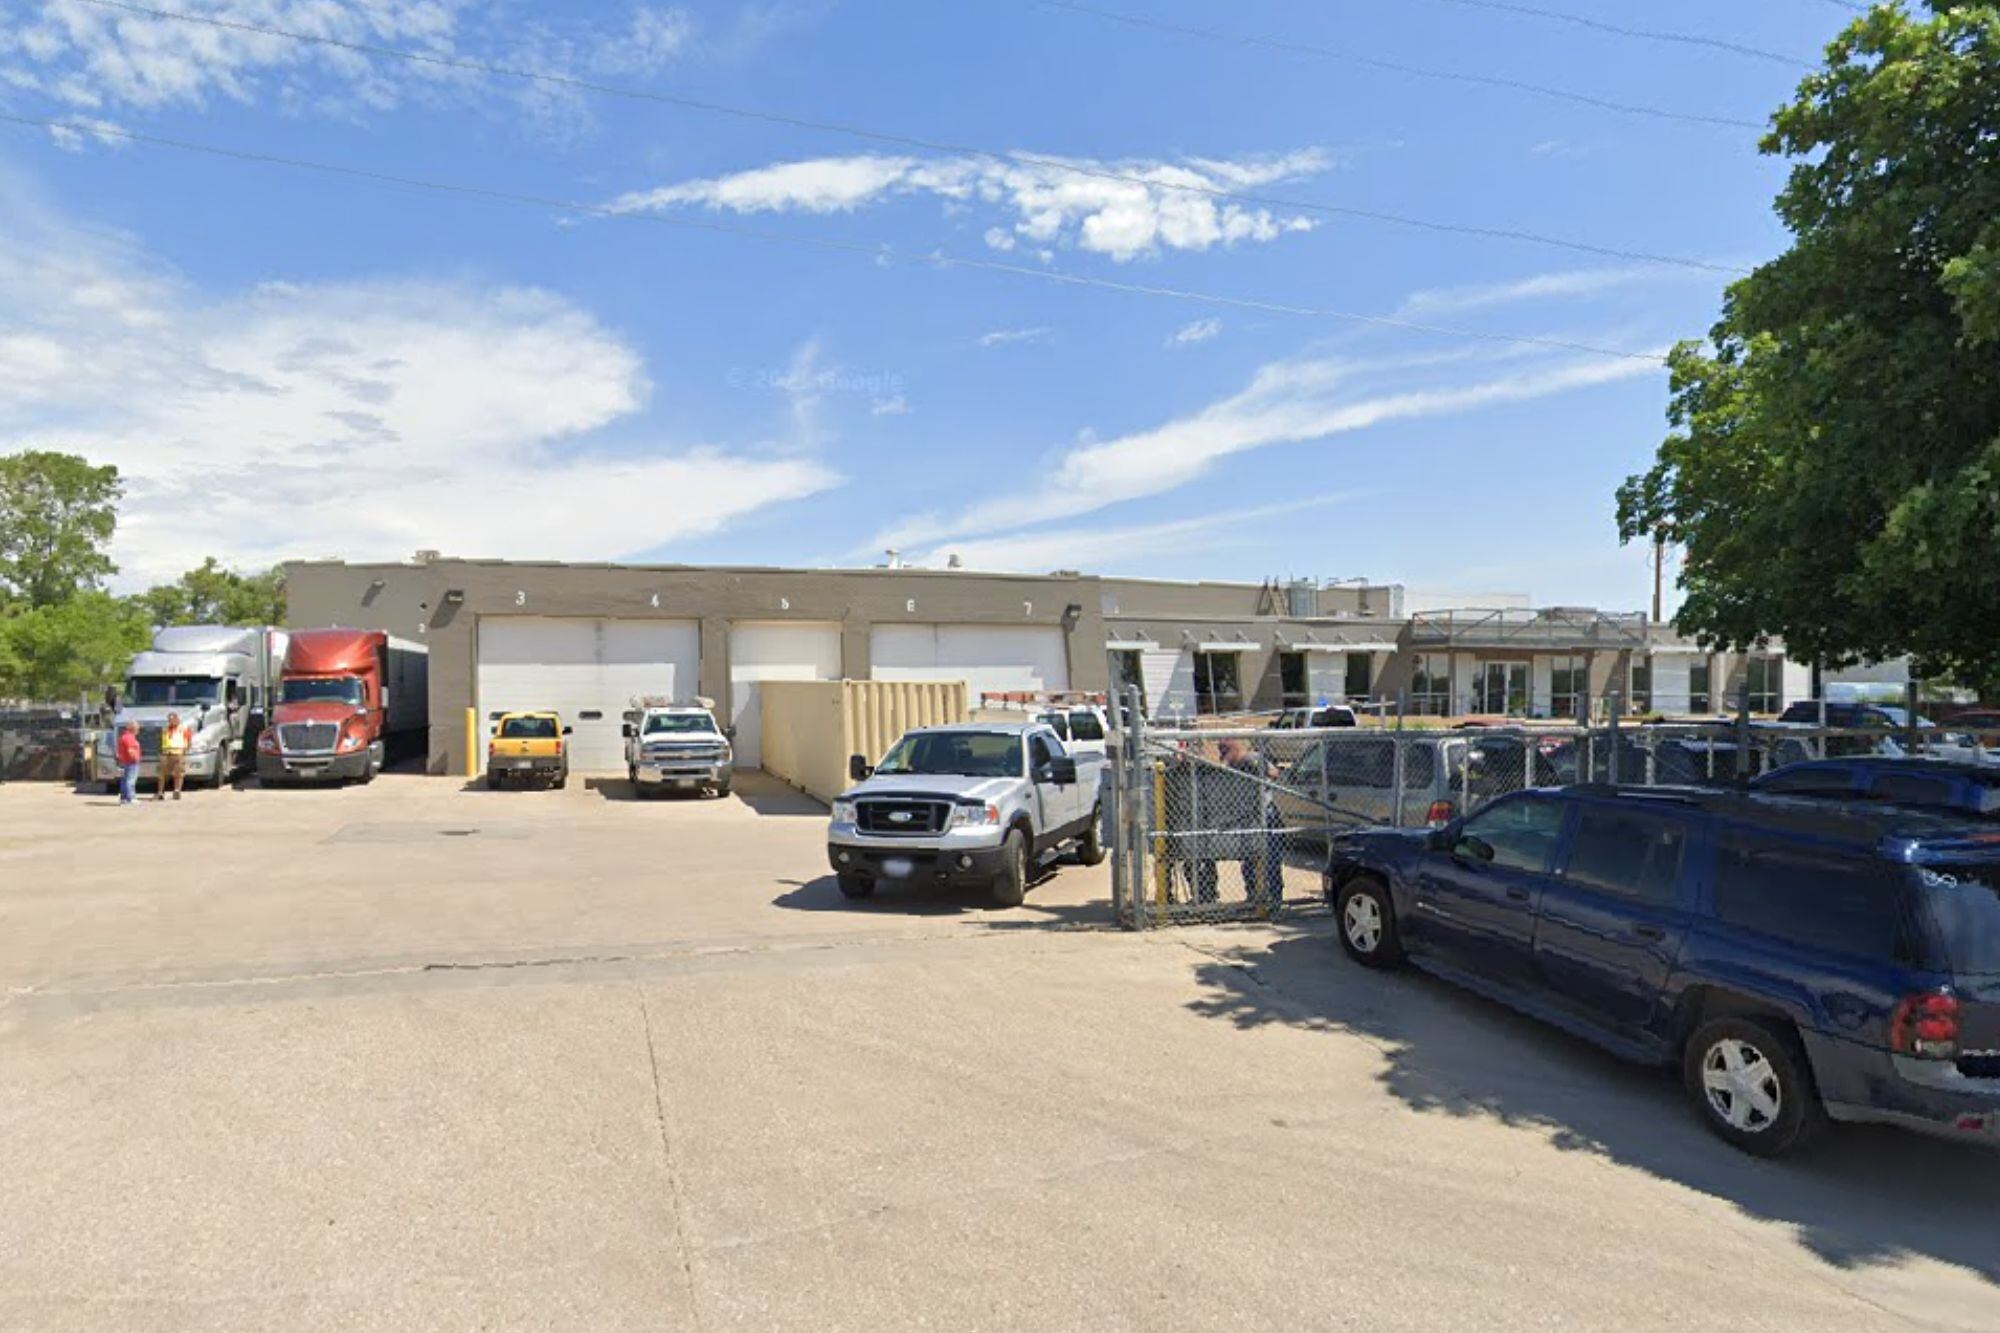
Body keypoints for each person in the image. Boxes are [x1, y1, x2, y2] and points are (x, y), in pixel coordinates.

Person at [157, 710, 190, 800]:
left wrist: (184, 751)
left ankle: (177, 791)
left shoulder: (183, 729)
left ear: (177, 719)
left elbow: (188, 741)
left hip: (178, 753)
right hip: (166, 753)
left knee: (178, 774)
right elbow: (160, 741)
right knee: (161, 774)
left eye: (173, 719)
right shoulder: (165, 729)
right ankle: (160, 792)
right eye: (169, 720)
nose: (171, 721)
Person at [114, 721, 142, 805]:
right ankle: (131, 798)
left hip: (123, 761)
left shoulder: (123, 736)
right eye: (137, 728)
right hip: (131, 762)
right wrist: (136, 759)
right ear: (133, 728)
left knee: (124, 780)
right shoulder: (130, 737)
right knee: (131, 780)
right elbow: (130, 750)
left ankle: (124, 798)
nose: (138, 729)